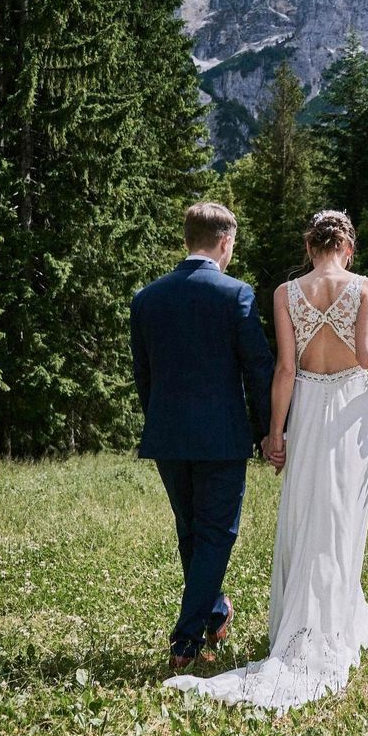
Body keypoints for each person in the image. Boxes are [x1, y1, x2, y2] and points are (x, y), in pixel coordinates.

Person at [163, 209, 368, 710]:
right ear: (347, 248)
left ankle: (300, 621)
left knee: (304, 514)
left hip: (305, 408)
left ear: (309, 248)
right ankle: (335, 620)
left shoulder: (285, 294)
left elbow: (284, 368)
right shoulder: (364, 286)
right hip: (351, 409)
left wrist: (274, 434)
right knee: (343, 514)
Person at [129, 202, 275, 670]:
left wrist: (160, 421)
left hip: (168, 434)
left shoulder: (146, 298)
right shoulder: (236, 295)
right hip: (221, 437)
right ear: (225, 242)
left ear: (187, 238)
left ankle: (215, 610)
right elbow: (258, 369)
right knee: (214, 535)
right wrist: (269, 428)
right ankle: (186, 640)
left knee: (192, 533)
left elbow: (143, 375)